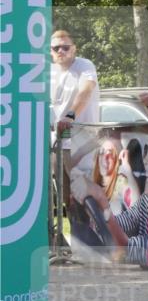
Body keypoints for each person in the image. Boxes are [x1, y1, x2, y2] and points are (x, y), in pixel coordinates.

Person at [80, 125, 148, 266]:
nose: (145, 160)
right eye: (145, 150)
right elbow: (127, 221)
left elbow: (128, 248)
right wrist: (99, 220)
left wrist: (103, 206)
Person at [50, 30, 101, 213]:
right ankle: (70, 239)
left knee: (86, 197)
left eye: (65, 47)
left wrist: (70, 116)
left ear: (74, 49)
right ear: (50, 51)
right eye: (56, 48)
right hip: (58, 142)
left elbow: (86, 91)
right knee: (68, 200)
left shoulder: (84, 65)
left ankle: (95, 238)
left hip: (82, 141)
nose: (61, 51)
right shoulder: (50, 72)